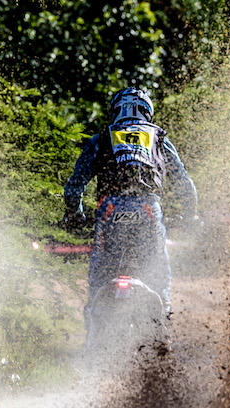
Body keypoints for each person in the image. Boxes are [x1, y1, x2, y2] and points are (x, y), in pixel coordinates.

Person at [62, 87, 197, 343]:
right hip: (148, 208)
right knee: (158, 271)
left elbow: (74, 186)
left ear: (116, 110)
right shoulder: (158, 138)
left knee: (100, 274)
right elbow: (184, 183)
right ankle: (163, 334)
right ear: (147, 111)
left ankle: (92, 338)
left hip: (109, 209)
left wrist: (74, 215)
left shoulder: (103, 137)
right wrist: (190, 216)